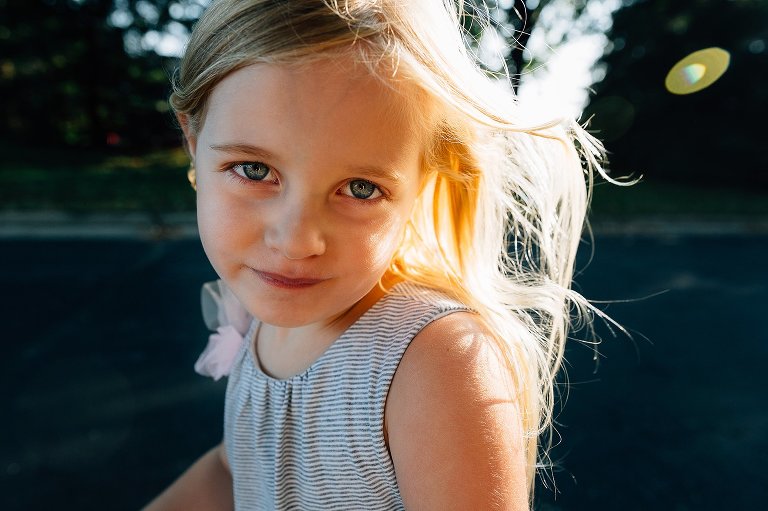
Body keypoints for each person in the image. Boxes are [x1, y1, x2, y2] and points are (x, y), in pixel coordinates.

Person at [143, 0, 616, 509]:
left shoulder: (433, 361)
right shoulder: (263, 313)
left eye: (361, 188)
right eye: (254, 171)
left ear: (423, 182)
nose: (297, 242)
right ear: (193, 141)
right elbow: (232, 468)